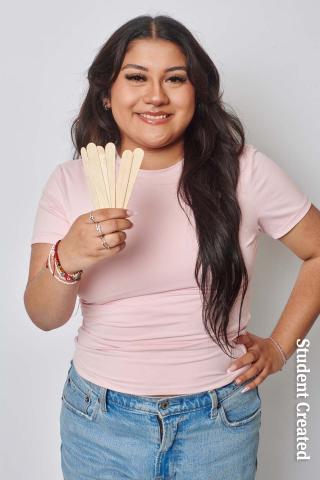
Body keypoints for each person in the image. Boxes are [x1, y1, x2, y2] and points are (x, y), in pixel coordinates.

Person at [24, 14, 320, 480]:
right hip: (99, 422)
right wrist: (69, 256)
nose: (156, 96)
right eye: (136, 77)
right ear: (107, 92)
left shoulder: (246, 172)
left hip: (219, 422)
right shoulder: (71, 181)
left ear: (196, 92)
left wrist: (281, 349)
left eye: (175, 79)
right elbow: (43, 315)